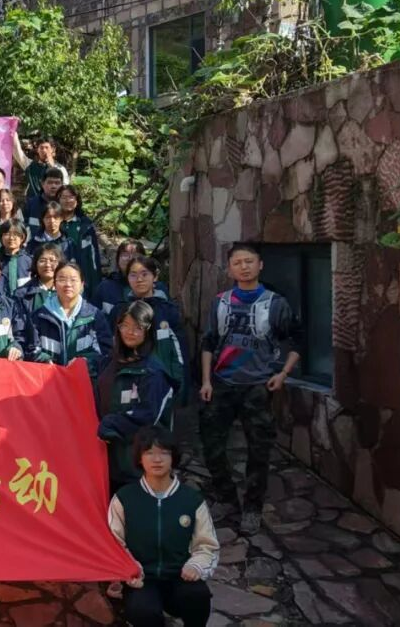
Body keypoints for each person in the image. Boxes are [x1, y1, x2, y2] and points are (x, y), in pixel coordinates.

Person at [200, 243, 301, 535]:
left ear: (260, 265)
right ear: (230, 268)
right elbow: (208, 342)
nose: (244, 267)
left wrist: (283, 373)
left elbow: (296, 340)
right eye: (237, 263)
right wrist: (206, 380)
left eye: (249, 261)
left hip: (258, 386)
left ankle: (253, 508)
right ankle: (226, 498)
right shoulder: (220, 302)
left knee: (259, 450)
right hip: (221, 383)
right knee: (212, 445)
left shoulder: (276, 304)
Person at [109, 426, 217, 627]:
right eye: (149, 453)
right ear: (139, 458)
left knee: (198, 596)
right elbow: (114, 544)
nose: (157, 459)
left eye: (164, 453)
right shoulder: (124, 498)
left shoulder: (191, 500)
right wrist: (129, 568)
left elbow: (207, 545)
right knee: (143, 612)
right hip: (142, 579)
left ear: (173, 458)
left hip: (180, 575)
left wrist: (195, 566)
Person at [96, 301, 176, 490]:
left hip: (136, 465)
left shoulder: (153, 372)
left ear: (148, 330)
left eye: (138, 327)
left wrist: (111, 423)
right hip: (107, 460)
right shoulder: (109, 362)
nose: (130, 332)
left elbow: (148, 415)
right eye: (125, 325)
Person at [111, 255, 188, 396]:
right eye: (133, 275)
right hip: (128, 383)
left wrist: (179, 384)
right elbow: (114, 348)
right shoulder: (120, 311)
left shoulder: (168, 310)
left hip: (163, 382)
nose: (139, 279)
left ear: (155, 276)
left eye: (144, 274)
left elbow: (180, 350)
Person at [27, 261, 112, 376]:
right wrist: (45, 361)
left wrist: (86, 362)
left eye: (73, 280)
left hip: (85, 380)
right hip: (48, 381)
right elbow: (31, 348)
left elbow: (105, 352)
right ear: (54, 284)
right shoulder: (40, 316)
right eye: (62, 279)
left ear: (82, 284)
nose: (68, 284)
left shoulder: (94, 316)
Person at [57, 185, 102, 298]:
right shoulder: (53, 222)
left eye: (71, 197)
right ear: (58, 200)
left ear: (77, 201)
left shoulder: (86, 225)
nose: (67, 200)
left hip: (81, 277)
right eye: (64, 197)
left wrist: (95, 284)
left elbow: (93, 257)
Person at [94, 240, 152, 315]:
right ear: (118, 259)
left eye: (135, 255)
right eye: (125, 255)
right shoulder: (105, 287)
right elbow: (92, 316)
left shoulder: (154, 287)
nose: (130, 258)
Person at [11, 133, 68, 199]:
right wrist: (14, 134)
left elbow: (64, 189)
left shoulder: (60, 169)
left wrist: (52, 167)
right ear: (37, 150)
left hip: (52, 204)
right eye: (41, 148)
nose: (44, 150)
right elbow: (17, 151)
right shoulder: (30, 165)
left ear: (53, 149)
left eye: (47, 148)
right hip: (33, 203)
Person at [14, 242, 64, 313]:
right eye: (42, 261)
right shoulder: (22, 293)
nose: (47, 265)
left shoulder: (68, 290)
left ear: (60, 264)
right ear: (35, 264)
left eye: (52, 260)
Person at [25, 168, 66, 236]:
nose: (53, 186)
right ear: (42, 184)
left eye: (57, 183)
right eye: (50, 182)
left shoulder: (66, 205)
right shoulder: (31, 203)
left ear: (62, 185)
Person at [0, 220, 32, 296]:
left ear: (22, 238)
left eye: (15, 234)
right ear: (1, 237)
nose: (11, 238)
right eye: (7, 234)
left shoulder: (29, 261)